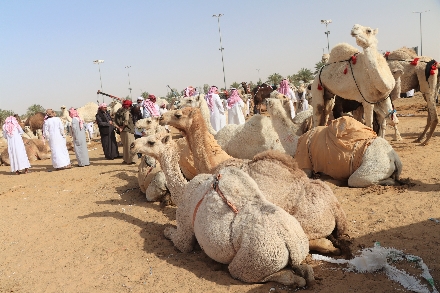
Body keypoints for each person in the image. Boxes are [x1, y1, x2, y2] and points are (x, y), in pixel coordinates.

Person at [117, 99, 138, 164]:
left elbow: (114, 121)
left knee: (125, 146)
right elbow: (126, 121)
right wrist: (122, 127)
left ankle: (126, 159)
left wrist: (119, 128)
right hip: (128, 130)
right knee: (131, 145)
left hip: (122, 131)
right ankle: (131, 160)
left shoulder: (119, 111)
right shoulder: (126, 112)